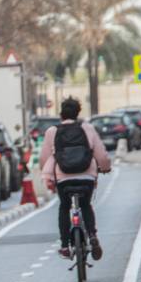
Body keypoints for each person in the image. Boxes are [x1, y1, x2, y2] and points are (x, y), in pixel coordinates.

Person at [38, 97, 111, 260]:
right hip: (87, 176)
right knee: (85, 205)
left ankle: (64, 245)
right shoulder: (87, 128)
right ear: (78, 113)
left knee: (64, 207)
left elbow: (44, 159)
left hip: (63, 178)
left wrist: (47, 175)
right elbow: (100, 154)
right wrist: (105, 167)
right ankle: (92, 235)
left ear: (61, 114)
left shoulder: (52, 131)